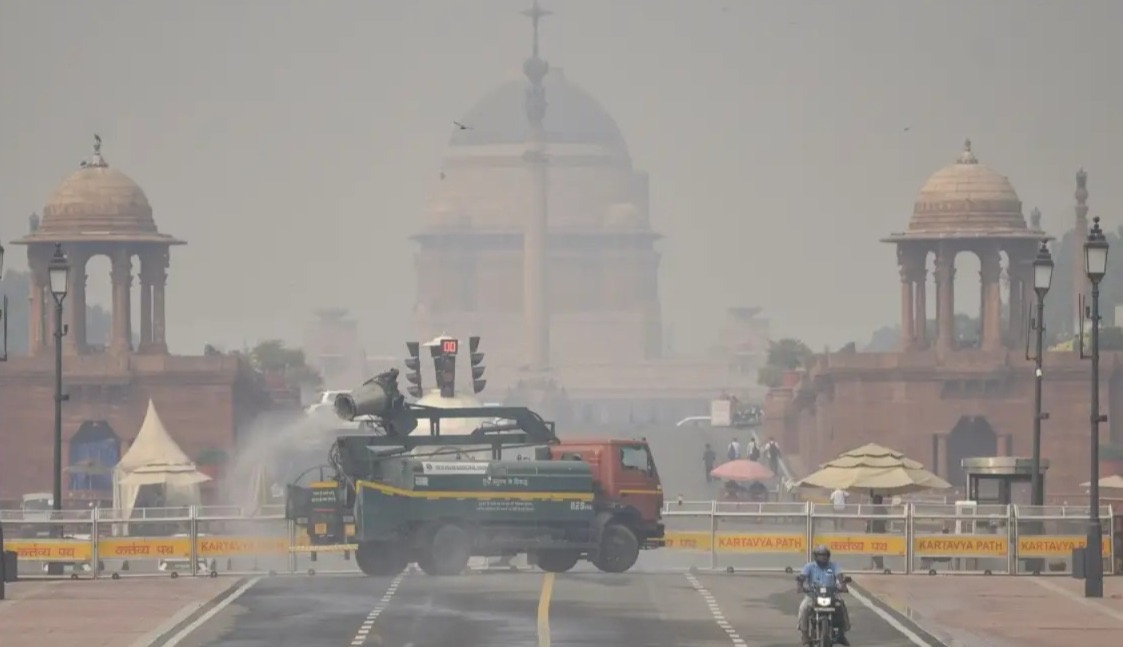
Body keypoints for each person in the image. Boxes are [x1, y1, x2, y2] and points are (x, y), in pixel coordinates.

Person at [797, 545, 851, 646]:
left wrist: (843, 585)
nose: (823, 557)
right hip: (813, 595)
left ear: (828, 556)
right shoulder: (809, 566)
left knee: (841, 605)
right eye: (820, 555)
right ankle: (805, 636)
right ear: (815, 556)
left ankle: (841, 634)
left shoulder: (834, 566)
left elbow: (840, 577)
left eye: (825, 555)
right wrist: (800, 586)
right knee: (804, 608)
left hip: (831, 595)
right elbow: (802, 577)